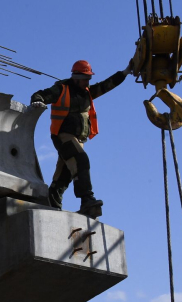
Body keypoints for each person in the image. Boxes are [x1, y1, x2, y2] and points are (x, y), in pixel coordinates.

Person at [30, 59, 132, 217]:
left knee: (65, 174)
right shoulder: (61, 88)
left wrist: (125, 72)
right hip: (63, 136)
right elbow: (42, 94)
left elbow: (106, 85)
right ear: (76, 77)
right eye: (85, 79)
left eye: (89, 79)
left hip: (79, 139)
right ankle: (87, 199)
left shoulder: (87, 91)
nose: (87, 82)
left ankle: (51, 203)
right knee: (81, 161)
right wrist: (38, 100)